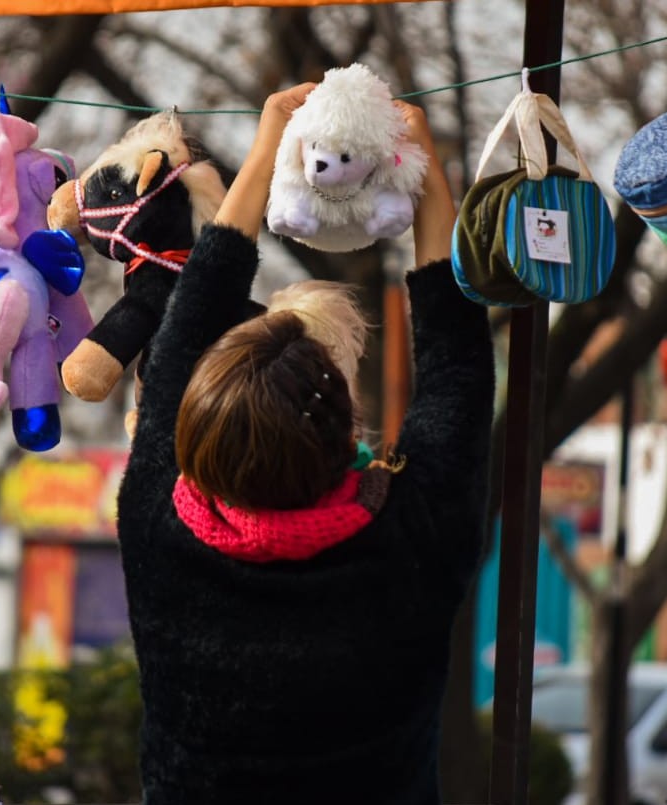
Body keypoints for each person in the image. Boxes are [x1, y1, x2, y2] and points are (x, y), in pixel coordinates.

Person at [115, 83, 496, 804]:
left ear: (193, 432)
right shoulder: (412, 535)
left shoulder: (160, 528)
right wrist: (422, 172)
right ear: (344, 425)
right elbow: (458, 370)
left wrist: (266, 150)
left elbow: (180, 336)